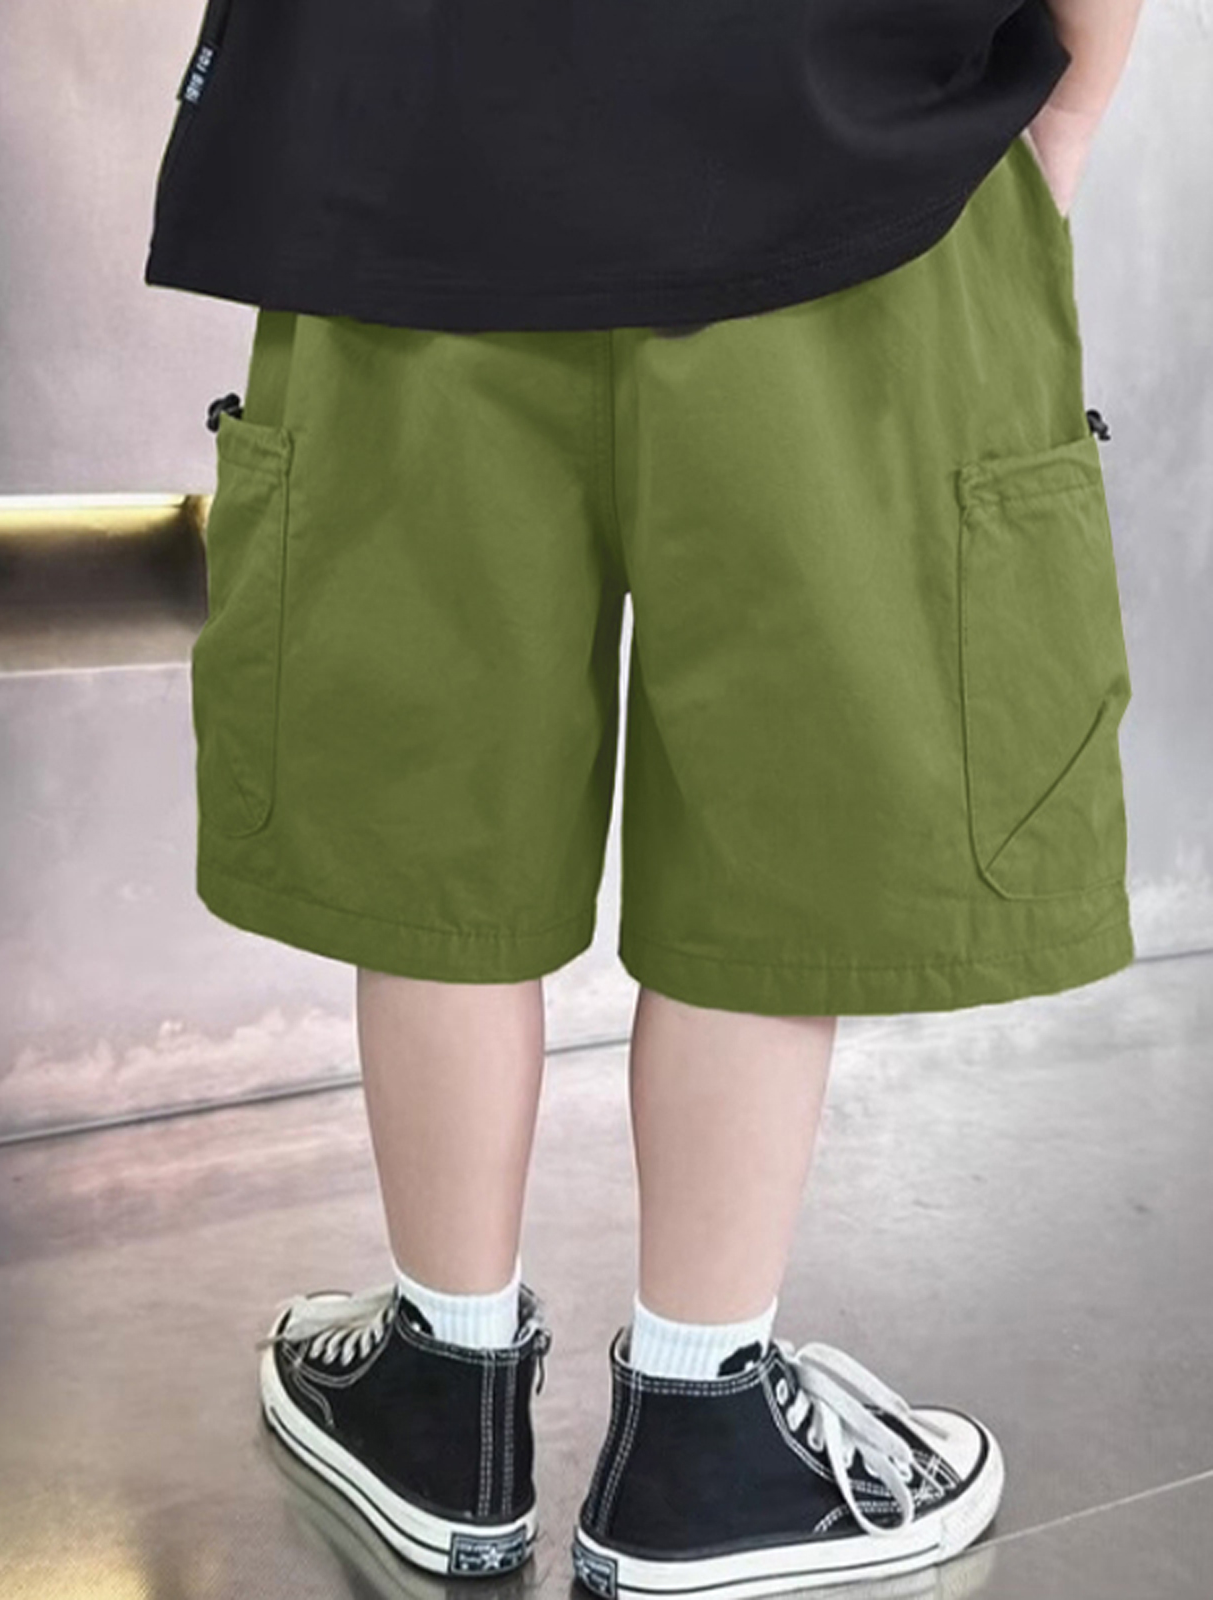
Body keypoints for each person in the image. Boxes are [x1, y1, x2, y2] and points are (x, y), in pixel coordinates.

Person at [143, 0, 1146, 1593]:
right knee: (783, 803)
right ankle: (702, 1426)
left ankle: (442, 1392)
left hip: (414, 161)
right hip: (846, 155)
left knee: (434, 799)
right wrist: (1068, 106)